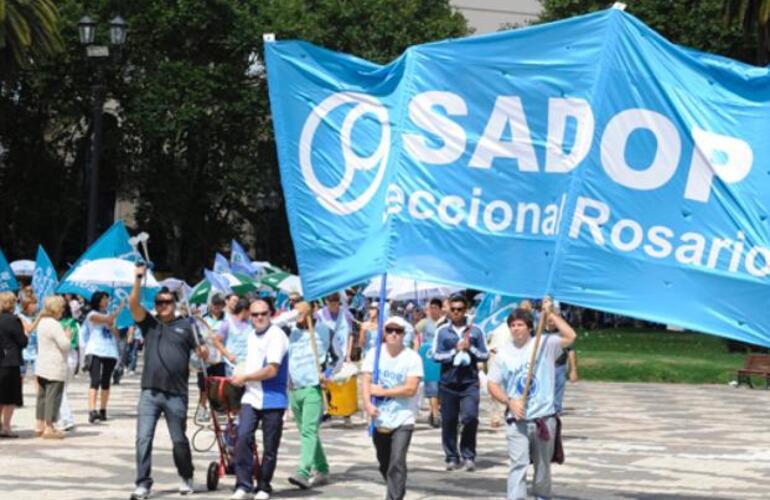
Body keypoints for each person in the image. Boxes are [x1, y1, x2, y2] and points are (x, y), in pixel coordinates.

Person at [129, 265, 208, 500]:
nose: (163, 305)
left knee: (179, 441)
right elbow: (133, 304)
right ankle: (143, 483)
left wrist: (203, 351)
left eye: (167, 301)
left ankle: (186, 475)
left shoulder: (188, 325)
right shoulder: (149, 324)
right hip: (150, 393)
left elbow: (201, 349)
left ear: (174, 303)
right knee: (143, 439)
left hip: (177, 394)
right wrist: (138, 278)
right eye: (159, 302)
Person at [487, 300, 576, 500]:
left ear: (529, 327)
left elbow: (571, 336)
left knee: (543, 466)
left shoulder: (545, 343)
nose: (516, 329)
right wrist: (510, 401)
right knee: (518, 464)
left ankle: (541, 496)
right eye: (512, 325)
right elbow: (492, 384)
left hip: (544, 419)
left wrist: (551, 314)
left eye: (520, 324)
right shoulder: (503, 353)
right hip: (517, 420)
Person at [229, 299, 289, 500]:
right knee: (243, 437)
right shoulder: (251, 336)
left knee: (270, 446)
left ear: (270, 314)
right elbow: (250, 364)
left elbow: (272, 370)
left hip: (274, 398)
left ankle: (264, 486)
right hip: (251, 396)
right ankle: (244, 484)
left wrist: (245, 377)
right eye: (255, 314)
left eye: (263, 313)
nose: (259, 317)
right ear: (250, 316)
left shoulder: (277, 336)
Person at [362, 316, 423, 500]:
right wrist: (367, 404)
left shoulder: (412, 358)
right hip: (380, 417)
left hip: (404, 417)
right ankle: (395, 487)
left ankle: (395, 497)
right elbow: (365, 381)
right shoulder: (374, 353)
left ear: (404, 334)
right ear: (384, 333)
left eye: (398, 331)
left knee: (397, 460)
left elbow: (411, 389)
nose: (393, 334)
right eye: (390, 330)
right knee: (384, 461)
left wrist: (383, 391)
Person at [433, 294, 489, 471]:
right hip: (448, 383)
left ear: (466, 310)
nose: (456, 312)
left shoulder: (476, 331)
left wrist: (470, 348)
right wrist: (453, 352)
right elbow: (435, 355)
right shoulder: (442, 331)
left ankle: (469, 455)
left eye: (460, 309)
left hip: (469, 383)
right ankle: (451, 456)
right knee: (449, 420)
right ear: (449, 310)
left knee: (470, 418)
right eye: (453, 309)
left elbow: (485, 354)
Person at [285, 302, 330, 490]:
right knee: (306, 431)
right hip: (294, 389)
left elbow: (337, 355)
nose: (298, 313)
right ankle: (322, 467)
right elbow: (274, 323)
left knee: (309, 431)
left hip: (313, 388)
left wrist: (327, 374)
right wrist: (295, 314)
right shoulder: (289, 330)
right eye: (295, 309)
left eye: (302, 309)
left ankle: (303, 471)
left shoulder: (323, 330)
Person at [82, 291, 123, 423]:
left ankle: (103, 409)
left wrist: (112, 326)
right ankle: (92, 410)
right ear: (97, 300)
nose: (106, 301)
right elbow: (105, 319)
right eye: (104, 299)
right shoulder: (92, 315)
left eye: (107, 299)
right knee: (95, 380)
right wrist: (120, 308)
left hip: (110, 351)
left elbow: (117, 334)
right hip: (95, 350)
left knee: (106, 381)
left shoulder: (109, 316)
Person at [33, 295, 71, 439]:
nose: (63, 309)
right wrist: (68, 336)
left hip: (42, 363)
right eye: (61, 307)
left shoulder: (42, 322)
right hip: (55, 365)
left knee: (42, 397)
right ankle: (49, 427)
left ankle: (40, 425)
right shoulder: (55, 325)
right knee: (53, 397)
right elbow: (65, 345)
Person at [0, 291, 27, 438]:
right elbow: (22, 341)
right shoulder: (13, 320)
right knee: (9, 397)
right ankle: (6, 427)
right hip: (10, 361)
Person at [414, 298, 443, 428]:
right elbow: (414, 332)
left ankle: (434, 411)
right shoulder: (425, 322)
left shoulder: (445, 322)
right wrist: (417, 350)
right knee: (432, 386)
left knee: (441, 386)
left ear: (440, 309)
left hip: (442, 357)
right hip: (428, 356)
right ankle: (436, 414)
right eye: (431, 308)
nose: (433, 310)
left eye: (435, 308)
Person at [56, 302, 80, 431]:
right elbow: (81, 344)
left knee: (60, 389)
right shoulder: (75, 323)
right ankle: (61, 418)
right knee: (63, 389)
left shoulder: (60, 324)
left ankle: (67, 418)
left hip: (64, 356)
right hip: (73, 356)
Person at [212, 297, 252, 375]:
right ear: (244, 310)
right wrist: (228, 355)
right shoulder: (227, 323)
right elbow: (216, 341)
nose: (251, 314)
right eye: (249, 311)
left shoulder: (250, 324)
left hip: (247, 364)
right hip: (231, 366)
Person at [18, 287, 38, 388]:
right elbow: (28, 329)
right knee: (21, 376)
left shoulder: (35, 316)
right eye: (33, 304)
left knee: (38, 376)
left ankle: (40, 399)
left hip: (35, 350)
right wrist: (39, 319)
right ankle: (18, 398)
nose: (35, 306)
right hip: (24, 351)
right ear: (27, 306)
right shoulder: (20, 317)